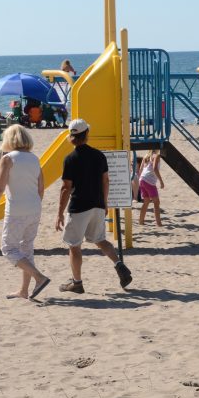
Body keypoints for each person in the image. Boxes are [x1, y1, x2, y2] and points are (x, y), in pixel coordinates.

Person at [56, 119, 132, 293]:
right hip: (97, 204)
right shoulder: (99, 155)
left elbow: (66, 188)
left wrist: (59, 213)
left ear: (71, 137)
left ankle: (77, 282)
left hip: (79, 206)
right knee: (100, 239)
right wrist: (104, 203)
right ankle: (119, 264)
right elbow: (106, 180)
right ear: (86, 135)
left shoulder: (70, 159)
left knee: (74, 245)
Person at [0, 125, 51, 300]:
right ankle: (24, 290)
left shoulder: (8, 159)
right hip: (34, 208)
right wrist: (35, 204)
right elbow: (41, 188)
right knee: (26, 249)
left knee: (8, 249)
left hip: (17, 209)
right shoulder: (34, 158)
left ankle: (39, 278)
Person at [136, 150, 165, 226]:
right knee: (156, 202)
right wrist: (161, 181)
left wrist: (140, 180)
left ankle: (141, 221)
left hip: (142, 179)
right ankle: (159, 223)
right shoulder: (156, 156)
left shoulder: (146, 156)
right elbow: (155, 168)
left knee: (146, 201)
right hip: (149, 181)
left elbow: (140, 170)